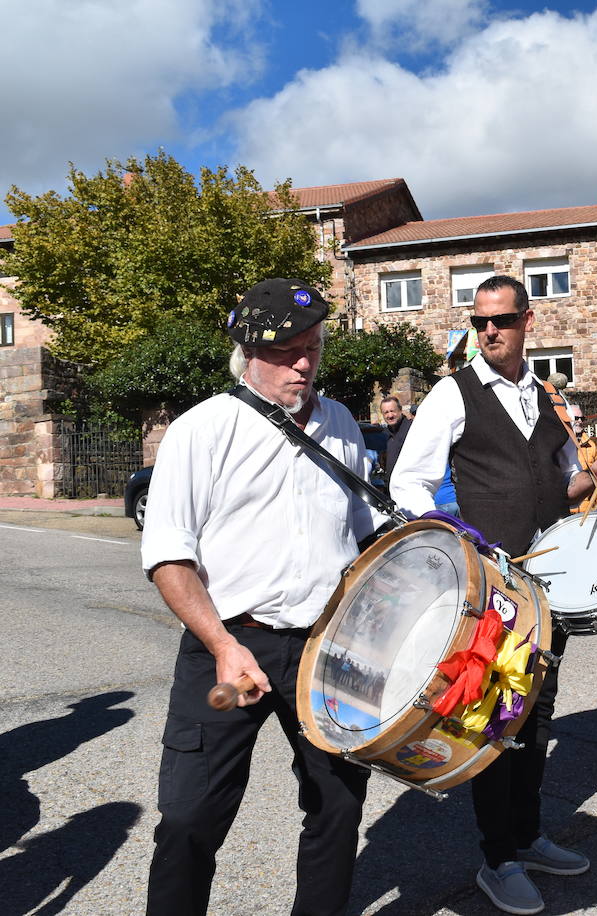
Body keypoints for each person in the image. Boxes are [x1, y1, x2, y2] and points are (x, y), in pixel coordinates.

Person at [389, 275, 597, 915]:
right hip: (494, 586)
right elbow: (408, 486)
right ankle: (498, 857)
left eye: (501, 319)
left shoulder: (544, 397)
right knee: (495, 720)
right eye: (480, 320)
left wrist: (593, 474)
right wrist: (458, 550)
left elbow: (564, 485)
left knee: (538, 715)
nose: (489, 330)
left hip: (547, 583)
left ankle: (525, 836)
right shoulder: (451, 392)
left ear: (528, 322)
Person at [142, 279, 382, 916]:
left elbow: (362, 535)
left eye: (313, 346)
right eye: (286, 351)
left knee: (337, 805)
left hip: (324, 650)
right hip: (230, 645)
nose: (303, 362)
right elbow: (169, 556)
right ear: (246, 350)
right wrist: (221, 644)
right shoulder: (202, 430)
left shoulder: (341, 424)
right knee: (191, 818)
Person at [381, 395, 411, 475]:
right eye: (386, 412)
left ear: (400, 410)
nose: (390, 416)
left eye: (392, 411)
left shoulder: (411, 429)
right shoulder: (385, 434)